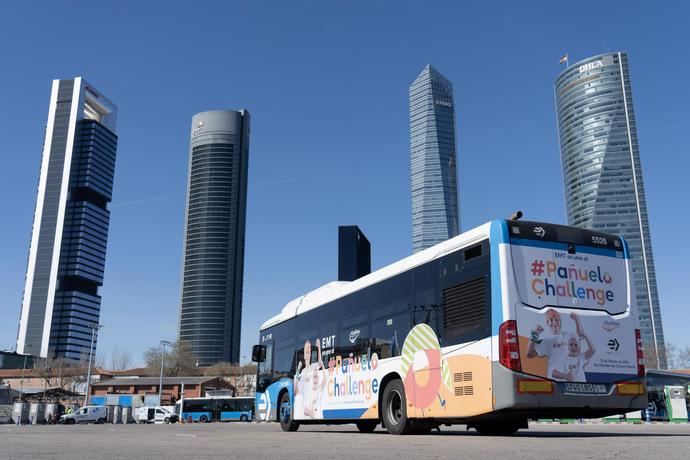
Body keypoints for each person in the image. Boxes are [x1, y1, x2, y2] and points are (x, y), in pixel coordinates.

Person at [551, 313, 595, 382]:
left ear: (579, 347)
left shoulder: (581, 357)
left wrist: (586, 335)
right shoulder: (563, 358)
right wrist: (565, 376)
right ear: (568, 346)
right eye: (571, 345)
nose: (573, 346)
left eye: (575, 345)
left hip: (583, 390)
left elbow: (592, 350)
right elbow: (553, 373)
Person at [526, 308, 569, 378]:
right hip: (555, 381)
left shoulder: (569, 337)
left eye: (557, 320)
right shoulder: (546, 341)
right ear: (547, 323)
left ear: (560, 321)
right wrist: (534, 334)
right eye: (551, 320)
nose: (554, 322)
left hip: (571, 381)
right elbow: (529, 354)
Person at [294, 338, 326, 418]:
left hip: (314, 406)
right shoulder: (303, 372)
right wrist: (298, 369)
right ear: (304, 355)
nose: (308, 353)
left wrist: (319, 347)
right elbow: (296, 391)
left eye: (309, 351)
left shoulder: (314, 366)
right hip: (306, 410)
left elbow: (320, 362)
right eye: (306, 352)